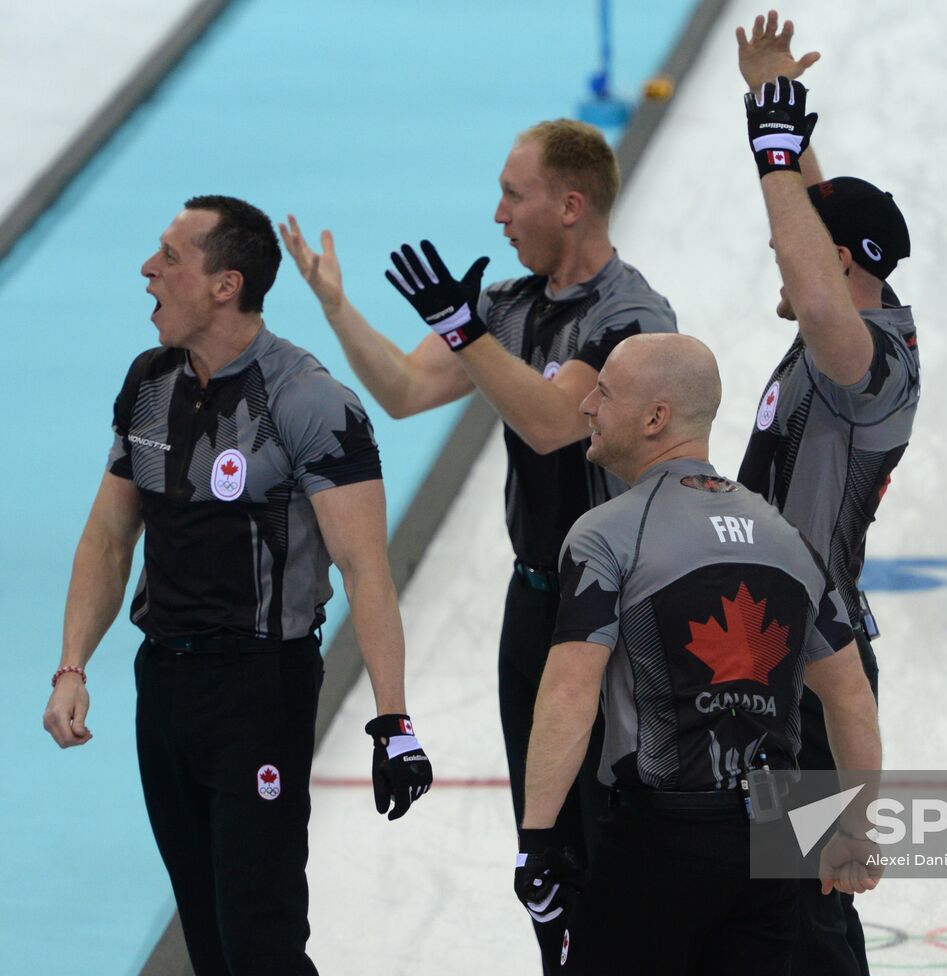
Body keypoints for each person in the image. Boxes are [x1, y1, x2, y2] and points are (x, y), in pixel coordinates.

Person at [278, 118, 676, 973]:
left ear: (570, 206)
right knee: (541, 840)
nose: (496, 215)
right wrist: (337, 307)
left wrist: (468, 334)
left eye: (512, 194)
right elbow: (406, 388)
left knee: (614, 823)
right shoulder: (509, 305)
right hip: (535, 599)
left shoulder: (632, 316)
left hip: (616, 610)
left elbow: (550, 423)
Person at [40, 196, 432, 975]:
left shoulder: (311, 402)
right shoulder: (149, 384)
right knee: (210, 936)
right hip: (166, 685)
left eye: (170, 258)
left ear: (226, 285)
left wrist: (394, 719)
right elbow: (110, 537)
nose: (147, 271)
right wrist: (72, 665)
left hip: (260, 687)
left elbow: (366, 569)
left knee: (262, 937)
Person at [514, 333, 883, 976]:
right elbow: (850, 693)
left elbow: (569, 694)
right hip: (773, 837)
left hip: (662, 838)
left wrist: (539, 840)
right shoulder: (785, 537)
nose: (586, 408)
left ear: (655, 418)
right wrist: (854, 828)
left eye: (604, 392)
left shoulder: (607, 533)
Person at [737, 13, 921, 975]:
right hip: (772, 656)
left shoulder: (868, 360)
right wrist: (782, 113)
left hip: (809, 671)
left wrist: (766, 142)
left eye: (806, 242)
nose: (781, 248)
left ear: (843, 261)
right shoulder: (858, 315)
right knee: (772, 911)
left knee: (804, 922)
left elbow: (816, 284)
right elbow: (827, 226)